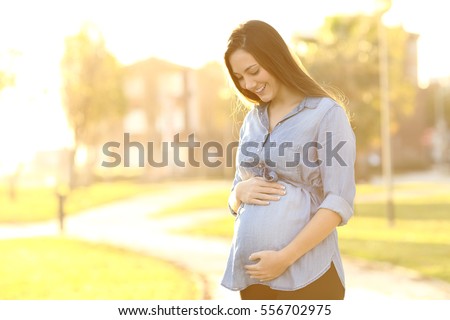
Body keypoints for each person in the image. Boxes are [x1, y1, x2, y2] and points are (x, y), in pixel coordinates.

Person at [221, 20, 356, 300]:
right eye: (240, 77)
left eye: (253, 71)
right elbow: (236, 196)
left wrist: (284, 257)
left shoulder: (326, 114)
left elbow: (338, 202)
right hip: (254, 278)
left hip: (309, 276)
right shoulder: (252, 120)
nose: (248, 84)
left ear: (276, 58)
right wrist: (238, 193)